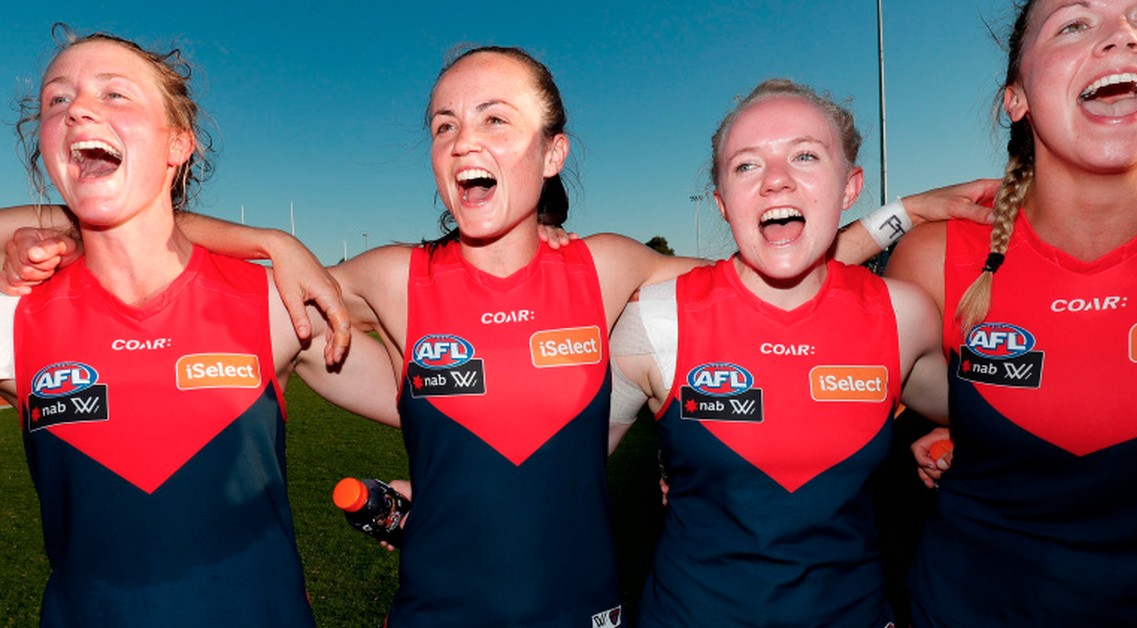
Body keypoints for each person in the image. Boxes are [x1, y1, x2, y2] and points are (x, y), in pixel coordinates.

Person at [4, 43, 992, 625]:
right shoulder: (391, 275)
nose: (462, 138)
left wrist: (900, 214)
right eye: (441, 125)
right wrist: (253, 235)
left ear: (553, 150)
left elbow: (769, 269)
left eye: (493, 118)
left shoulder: (608, 268)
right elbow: (162, 249)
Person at [7, 29, 401, 626]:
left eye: (115, 94)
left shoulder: (276, 305)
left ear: (178, 144)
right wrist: (263, 236)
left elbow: (454, 406)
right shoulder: (13, 315)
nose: (78, 108)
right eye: (57, 100)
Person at [886, 0, 1137, 624]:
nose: (1122, 39)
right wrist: (893, 217)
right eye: (1075, 24)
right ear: (1017, 98)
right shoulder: (937, 257)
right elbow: (764, 331)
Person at [606, 78, 948, 626]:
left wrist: (946, 440)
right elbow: (558, 474)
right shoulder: (654, 320)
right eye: (746, 166)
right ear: (721, 203)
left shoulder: (904, 315)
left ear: (851, 185)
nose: (776, 181)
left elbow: (999, 425)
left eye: (805, 155)